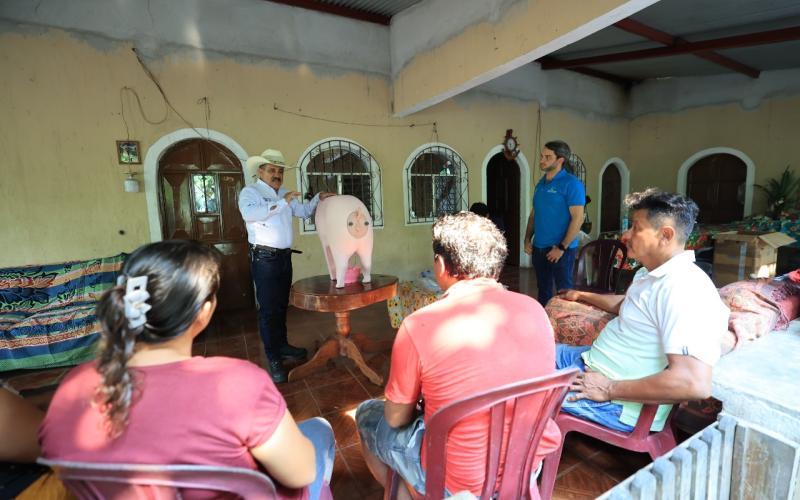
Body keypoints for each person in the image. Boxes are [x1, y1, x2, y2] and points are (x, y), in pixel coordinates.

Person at [39, 240, 335, 500]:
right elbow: (301, 474)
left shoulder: (72, 388)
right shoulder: (239, 385)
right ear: (204, 312)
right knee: (320, 431)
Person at [356, 212, 559, 497]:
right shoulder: (536, 311)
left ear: (440, 264)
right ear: (497, 265)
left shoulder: (418, 325)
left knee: (367, 414)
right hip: (526, 463)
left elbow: (396, 418)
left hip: (456, 481)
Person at [555, 189, 728, 433]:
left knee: (513, 385)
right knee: (520, 355)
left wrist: (608, 388)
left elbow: (694, 383)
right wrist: (582, 295)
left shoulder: (684, 288)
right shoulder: (651, 273)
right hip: (590, 363)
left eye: (636, 228)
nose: (625, 236)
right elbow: (628, 305)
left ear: (665, 235)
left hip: (615, 401)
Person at [239, 148, 334, 383]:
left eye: (280, 171)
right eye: (272, 170)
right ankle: (273, 357)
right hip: (264, 259)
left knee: (281, 306)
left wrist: (317, 198)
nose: (277, 174)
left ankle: (282, 346)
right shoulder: (250, 193)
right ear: (260, 171)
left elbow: (302, 212)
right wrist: (283, 202)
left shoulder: (283, 193)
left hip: (283, 257)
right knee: (268, 310)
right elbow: (251, 215)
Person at [524, 140, 585, 306]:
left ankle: (564, 328)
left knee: (564, 292)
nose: (542, 160)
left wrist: (562, 247)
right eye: (542, 156)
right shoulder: (541, 184)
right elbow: (533, 215)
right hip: (539, 247)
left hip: (561, 250)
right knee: (543, 289)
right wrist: (527, 239)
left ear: (560, 160)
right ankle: (545, 325)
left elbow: (578, 219)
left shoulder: (572, 184)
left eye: (548, 157)